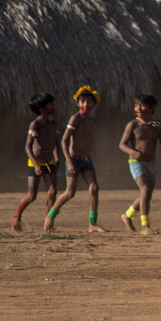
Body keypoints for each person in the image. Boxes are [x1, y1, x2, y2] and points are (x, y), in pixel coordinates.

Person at [56, 85, 105, 232]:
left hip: (85, 160)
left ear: (94, 104)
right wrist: (69, 161)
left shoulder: (92, 121)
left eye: (89, 102)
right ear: (77, 103)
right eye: (82, 101)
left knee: (94, 188)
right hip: (74, 159)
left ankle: (92, 224)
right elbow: (64, 140)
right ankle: (50, 216)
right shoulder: (75, 118)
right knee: (70, 192)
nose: (85, 105)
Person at [12, 94, 63, 232]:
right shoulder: (35, 124)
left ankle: (48, 222)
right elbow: (27, 147)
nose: (53, 107)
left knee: (52, 192)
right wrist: (35, 165)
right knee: (32, 195)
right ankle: (17, 216)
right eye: (50, 105)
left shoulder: (53, 124)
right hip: (36, 163)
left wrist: (57, 158)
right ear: (41, 108)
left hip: (49, 162)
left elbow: (56, 144)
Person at [118, 93, 161, 235]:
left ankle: (127, 215)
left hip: (151, 163)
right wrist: (133, 151)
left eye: (142, 105)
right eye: (136, 105)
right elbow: (122, 145)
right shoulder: (133, 124)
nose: (138, 108)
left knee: (147, 194)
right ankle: (145, 226)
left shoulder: (156, 126)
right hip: (135, 162)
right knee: (144, 189)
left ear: (152, 108)